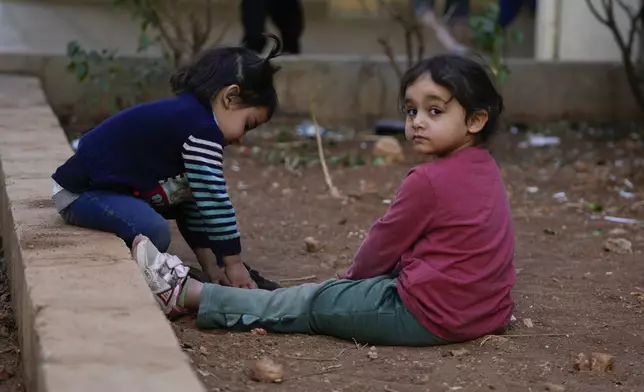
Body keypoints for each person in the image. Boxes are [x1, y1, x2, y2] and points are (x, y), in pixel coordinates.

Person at [132, 54, 516, 346]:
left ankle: (188, 294)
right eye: (411, 110)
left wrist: (347, 287)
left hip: (428, 314)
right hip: (483, 312)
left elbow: (382, 245)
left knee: (315, 303)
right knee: (317, 297)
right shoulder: (485, 167)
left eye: (434, 111)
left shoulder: (429, 180)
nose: (417, 121)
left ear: (475, 121)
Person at [51, 35, 285, 290]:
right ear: (230, 97)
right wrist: (234, 264)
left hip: (108, 191)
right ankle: (152, 275)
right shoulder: (200, 128)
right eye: (247, 125)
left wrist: (212, 267)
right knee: (154, 231)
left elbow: (194, 203)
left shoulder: (191, 119)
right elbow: (214, 197)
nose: (241, 138)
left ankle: (191, 269)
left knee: (179, 208)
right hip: (83, 192)